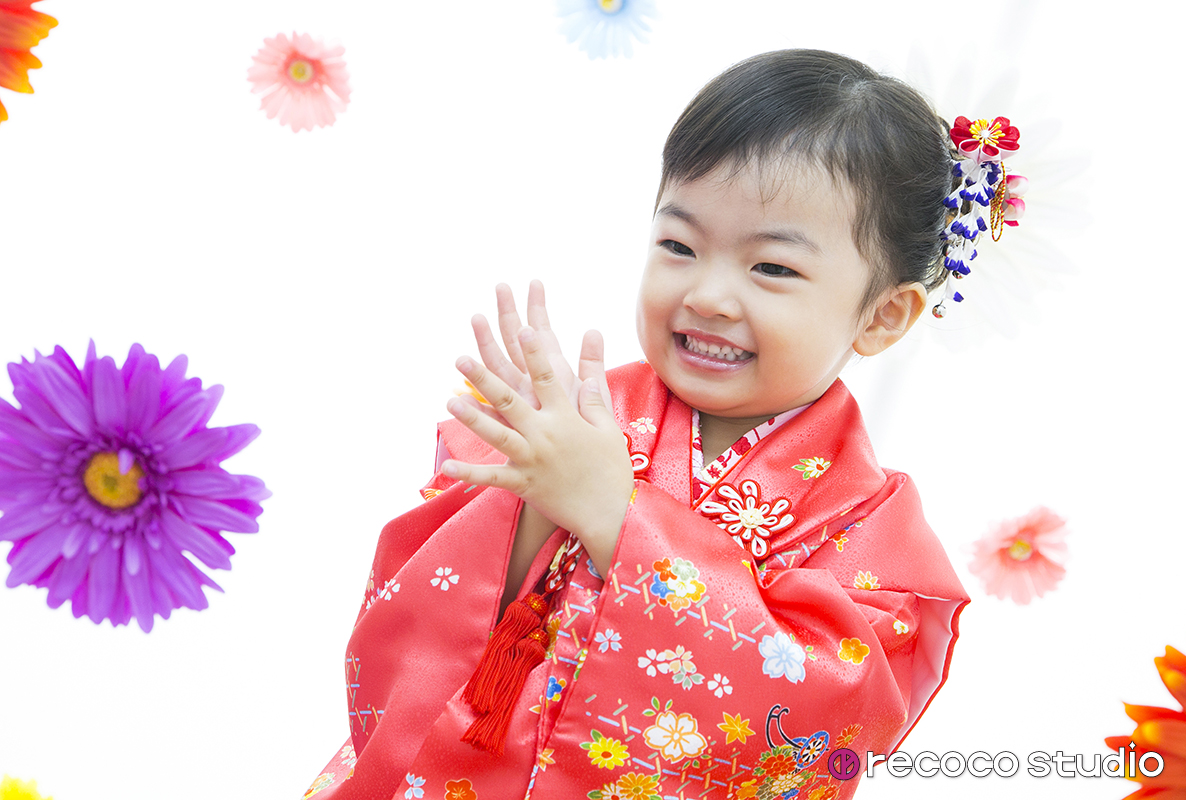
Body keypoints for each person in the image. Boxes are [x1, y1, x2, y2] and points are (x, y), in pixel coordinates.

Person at [304, 49, 970, 800]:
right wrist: (531, 500)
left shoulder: (870, 526)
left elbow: (829, 711)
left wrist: (617, 517)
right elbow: (414, 629)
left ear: (884, 315)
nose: (707, 295)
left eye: (772, 268)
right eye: (679, 247)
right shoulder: (574, 417)